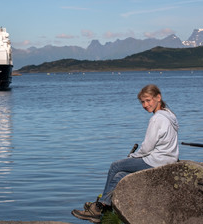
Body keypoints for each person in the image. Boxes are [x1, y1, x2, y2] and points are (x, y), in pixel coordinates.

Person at [71, 84, 179, 223]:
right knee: (120, 176)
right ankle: (103, 206)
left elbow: (147, 147)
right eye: (142, 102)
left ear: (158, 97)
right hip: (169, 159)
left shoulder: (157, 118)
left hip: (157, 160)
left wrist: (132, 156)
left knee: (115, 166)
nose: (145, 105)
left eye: (148, 100)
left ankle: (98, 208)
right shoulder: (170, 114)